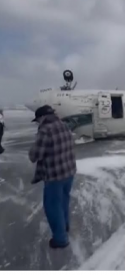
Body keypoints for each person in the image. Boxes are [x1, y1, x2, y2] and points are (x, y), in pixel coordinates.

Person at [28, 105, 76, 249]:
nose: (38, 123)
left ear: (42, 117)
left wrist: (32, 148)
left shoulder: (45, 131)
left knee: (52, 207)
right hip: (69, 172)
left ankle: (60, 239)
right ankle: (65, 226)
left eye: (37, 120)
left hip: (55, 175)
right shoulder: (65, 125)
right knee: (63, 202)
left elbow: (34, 155)